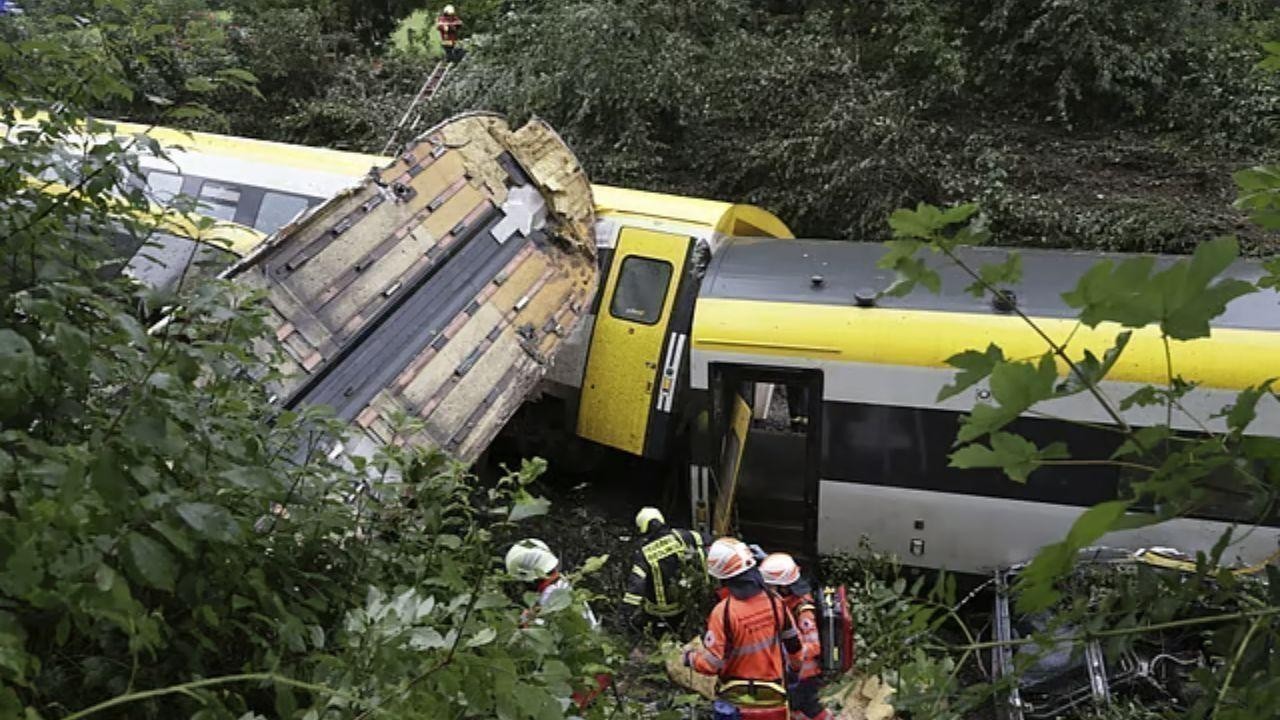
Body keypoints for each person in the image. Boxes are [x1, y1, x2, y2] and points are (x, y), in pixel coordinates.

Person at [684, 538, 803, 719]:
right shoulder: (775, 602)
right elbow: (794, 646)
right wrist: (794, 673)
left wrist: (690, 658)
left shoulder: (723, 612)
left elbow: (711, 665)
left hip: (735, 701)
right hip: (773, 696)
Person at [760, 553, 832, 720]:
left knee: (806, 708)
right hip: (796, 673)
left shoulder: (803, 610)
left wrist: (787, 651)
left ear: (784, 587)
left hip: (804, 675)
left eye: (771, 586)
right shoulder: (788, 603)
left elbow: (815, 645)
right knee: (802, 709)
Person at [620, 507, 711, 633]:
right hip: (685, 604)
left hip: (659, 611)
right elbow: (708, 540)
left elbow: (636, 587)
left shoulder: (644, 553)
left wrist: (624, 614)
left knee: (639, 628)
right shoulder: (682, 535)